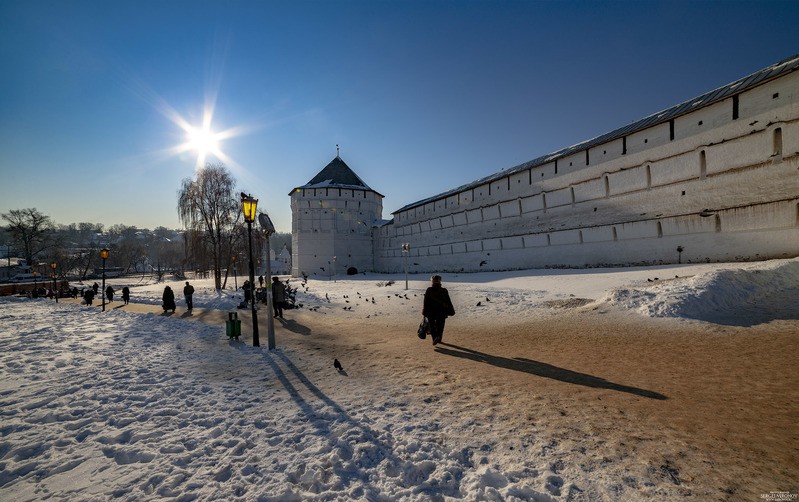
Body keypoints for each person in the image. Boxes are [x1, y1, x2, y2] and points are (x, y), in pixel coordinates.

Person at [422, 275, 455, 346]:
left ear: (432, 281)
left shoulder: (429, 290)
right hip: (441, 312)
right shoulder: (444, 290)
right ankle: (439, 338)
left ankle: (435, 338)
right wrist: (451, 310)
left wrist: (424, 311)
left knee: (432, 325)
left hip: (431, 312)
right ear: (440, 281)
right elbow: (448, 301)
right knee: (440, 325)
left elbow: (426, 302)